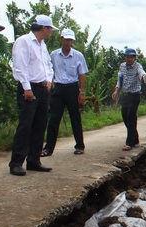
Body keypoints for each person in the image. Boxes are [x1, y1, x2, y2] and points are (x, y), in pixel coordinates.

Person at [9, 15, 58, 176]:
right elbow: (20, 66)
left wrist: (49, 80)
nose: (51, 32)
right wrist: (27, 88)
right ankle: (16, 162)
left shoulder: (42, 45)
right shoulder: (24, 42)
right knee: (26, 124)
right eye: (50, 29)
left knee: (40, 124)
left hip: (43, 88)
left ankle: (34, 160)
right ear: (44, 28)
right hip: (29, 88)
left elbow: (48, 65)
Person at [41, 29, 89, 157]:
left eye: (71, 40)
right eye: (66, 39)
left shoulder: (78, 55)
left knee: (75, 118)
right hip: (58, 88)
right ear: (61, 39)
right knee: (54, 119)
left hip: (72, 88)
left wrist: (82, 92)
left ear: (73, 41)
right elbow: (49, 70)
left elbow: (82, 74)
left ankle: (79, 146)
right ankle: (48, 148)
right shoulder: (54, 55)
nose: (68, 42)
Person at [111, 48, 146, 151]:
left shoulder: (137, 66)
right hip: (125, 95)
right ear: (125, 57)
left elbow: (141, 72)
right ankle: (135, 138)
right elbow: (120, 80)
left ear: (134, 58)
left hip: (134, 95)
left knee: (131, 118)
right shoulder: (122, 66)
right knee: (125, 118)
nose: (130, 59)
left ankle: (129, 143)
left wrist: (143, 76)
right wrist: (116, 91)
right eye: (128, 57)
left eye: (132, 57)